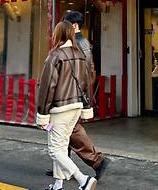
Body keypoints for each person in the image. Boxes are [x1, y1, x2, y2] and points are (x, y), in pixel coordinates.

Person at [37, 21, 97, 190]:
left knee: (54, 149)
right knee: (62, 147)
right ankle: (57, 185)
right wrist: (86, 108)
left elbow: (47, 87)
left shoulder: (55, 56)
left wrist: (42, 115)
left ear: (57, 35)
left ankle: (83, 180)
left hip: (60, 109)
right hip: (76, 107)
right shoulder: (80, 55)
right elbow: (86, 83)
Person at [54, 11, 110, 181]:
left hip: (71, 93)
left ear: (75, 26)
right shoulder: (82, 42)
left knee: (70, 129)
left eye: (66, 24)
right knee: (66, 129)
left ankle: (97, 161)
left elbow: (78, 71)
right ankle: (63, 166)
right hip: (76, 92)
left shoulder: (76, 44)